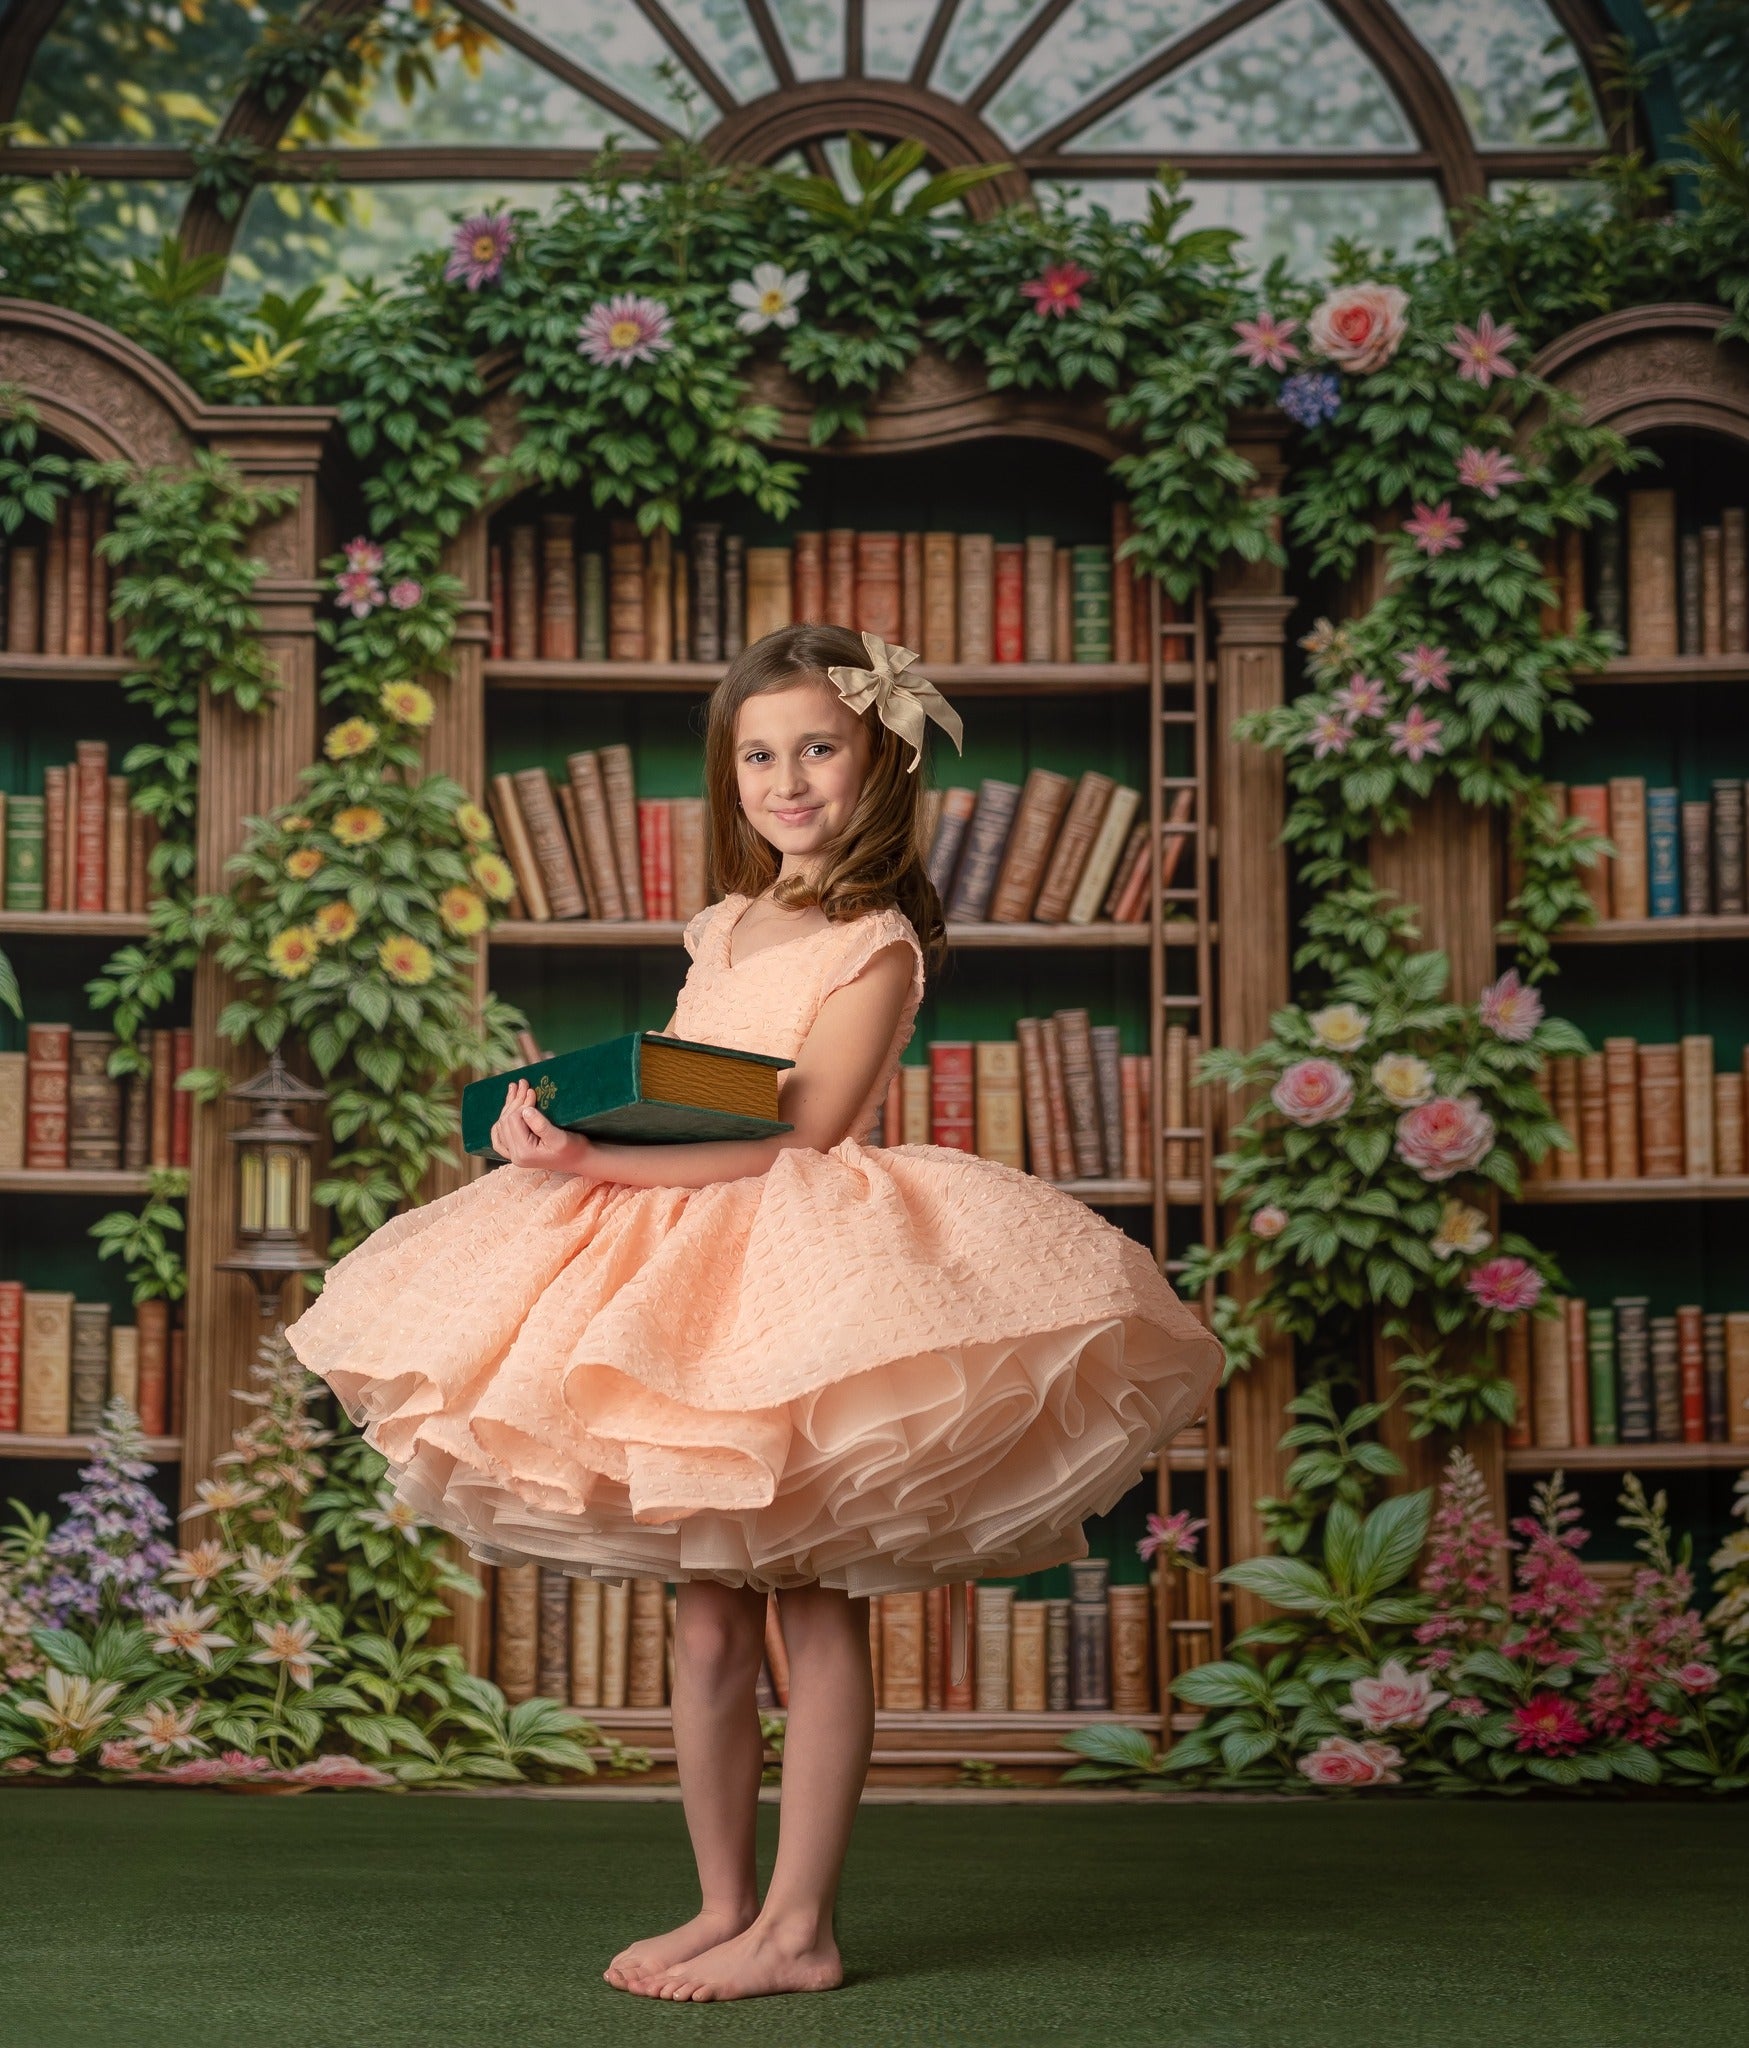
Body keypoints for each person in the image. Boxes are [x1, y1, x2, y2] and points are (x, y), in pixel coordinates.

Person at [283, 620, 1223, 2003]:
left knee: (811, 1600)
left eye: (818, 750)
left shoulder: (876, 940)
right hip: (681, 1237)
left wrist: (600, 1159)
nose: (788, 781)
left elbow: (805, 1124)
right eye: (759, 755)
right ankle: (724, 1904)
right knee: (709, 1614)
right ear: (731, 776)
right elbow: (704, 1081)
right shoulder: (725, 923)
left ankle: (800, 1927)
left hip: (796, 1255)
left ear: (878, 759)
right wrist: (575, 1118)